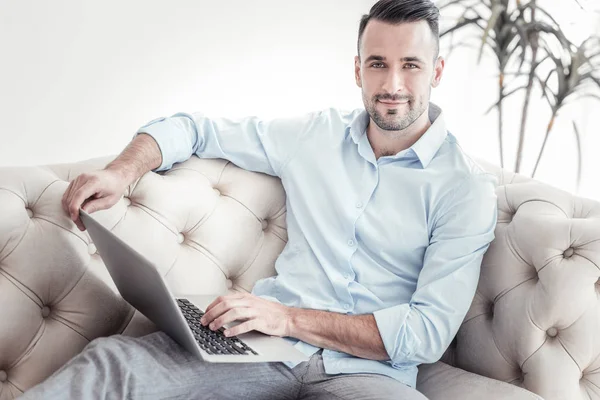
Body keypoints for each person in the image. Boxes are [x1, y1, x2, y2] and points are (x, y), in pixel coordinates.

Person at [21, 0, 498, 399]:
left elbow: (426, 334)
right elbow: (194, 128)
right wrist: (121, 172)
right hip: (262, 347)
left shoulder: (465, 190)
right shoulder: (314, 136)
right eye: (378, 63)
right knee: (112, 364)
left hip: (369, 376)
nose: (393, 85)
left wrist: (287, 316)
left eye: (410, 65)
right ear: (358, 70)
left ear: (436, 71)